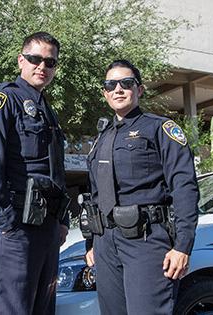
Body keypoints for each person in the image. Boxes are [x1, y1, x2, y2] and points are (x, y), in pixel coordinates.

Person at [83, 59, 199, 314]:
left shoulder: (159, 128)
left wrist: (182, 246)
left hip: (145, 240)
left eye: (126, 83)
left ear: (140, 89)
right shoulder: (102, 137)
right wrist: (91, 243)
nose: (118, 89)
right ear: (105, 92)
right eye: (111, 84)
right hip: (105, 244)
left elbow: (184, 187)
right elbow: (94, 194)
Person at [0, 31, 69, 315]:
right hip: (15, 227)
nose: (42, 66)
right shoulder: (1, 101)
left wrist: (60, 221)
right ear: (21, 60)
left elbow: (56, 170)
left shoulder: (46, 111)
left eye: (49, 62)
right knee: (11, 309)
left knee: (43, 308)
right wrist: (7, 224)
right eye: (34, 59)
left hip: (46, 226)